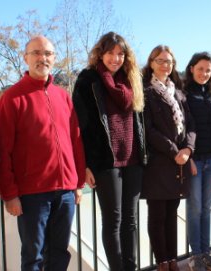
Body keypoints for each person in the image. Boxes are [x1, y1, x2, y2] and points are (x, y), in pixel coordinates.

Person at [0, 35, 86, 271]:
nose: (42, 58)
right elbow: (1, 150)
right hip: (32, 194)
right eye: (36, 53)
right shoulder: (12, 98)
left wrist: (78, 183)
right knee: (33, 256)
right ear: (25, 58)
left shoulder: (63, 96)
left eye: (47, 54)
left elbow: (75, 140)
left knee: (58, 254)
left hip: (65, 191)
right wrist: (9, 194)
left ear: (54, 58)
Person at [72, 31, 146, 271]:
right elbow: (79, 125)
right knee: (113, 222)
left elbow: (140, 122)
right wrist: (85, 165)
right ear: (100, 54)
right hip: (105, 161)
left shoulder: (131, 79)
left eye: (120, 54)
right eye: (111, 53)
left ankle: (131, 267)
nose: (116, 58)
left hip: (133, 159)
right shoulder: (87, 80)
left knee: (131, 220)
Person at [141, 45, 195, 271]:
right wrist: (175, 151)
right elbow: (149, 130)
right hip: (158, 164)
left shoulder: (179, 93)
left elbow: (191, 126)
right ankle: (162, 262)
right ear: (151, 63)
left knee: (172, 214)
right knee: (157, 216)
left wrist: (188, 150)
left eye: (169, 61)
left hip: (179, 164)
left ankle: (173, 260)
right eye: (161, 60)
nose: (166, 65)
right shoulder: (145, 93)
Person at [183, 52, 211, 271]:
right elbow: (182, 129)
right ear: (192, 69)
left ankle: (206, 253)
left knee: (206, 208)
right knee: (194, 208)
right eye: (200, 69)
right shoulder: (184, 94)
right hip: (195, 161)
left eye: (208, 70)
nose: (204, 73)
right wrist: (187, 157)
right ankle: (195, 255)